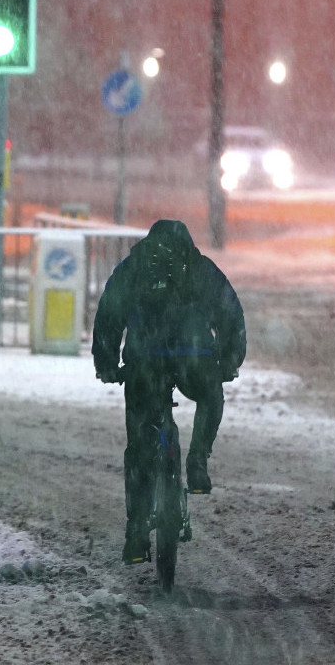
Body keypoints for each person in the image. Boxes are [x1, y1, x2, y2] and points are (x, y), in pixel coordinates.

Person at [92, 219, 246, 564]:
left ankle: (135, 533)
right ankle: (197, 463)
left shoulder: (134, 267)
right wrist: (229, 361)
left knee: (138, 448)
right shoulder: (200, 268)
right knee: (210, 397)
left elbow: (109, 314)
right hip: (194, 359)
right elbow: (230, 313)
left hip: (144, 362)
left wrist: (107, 363)